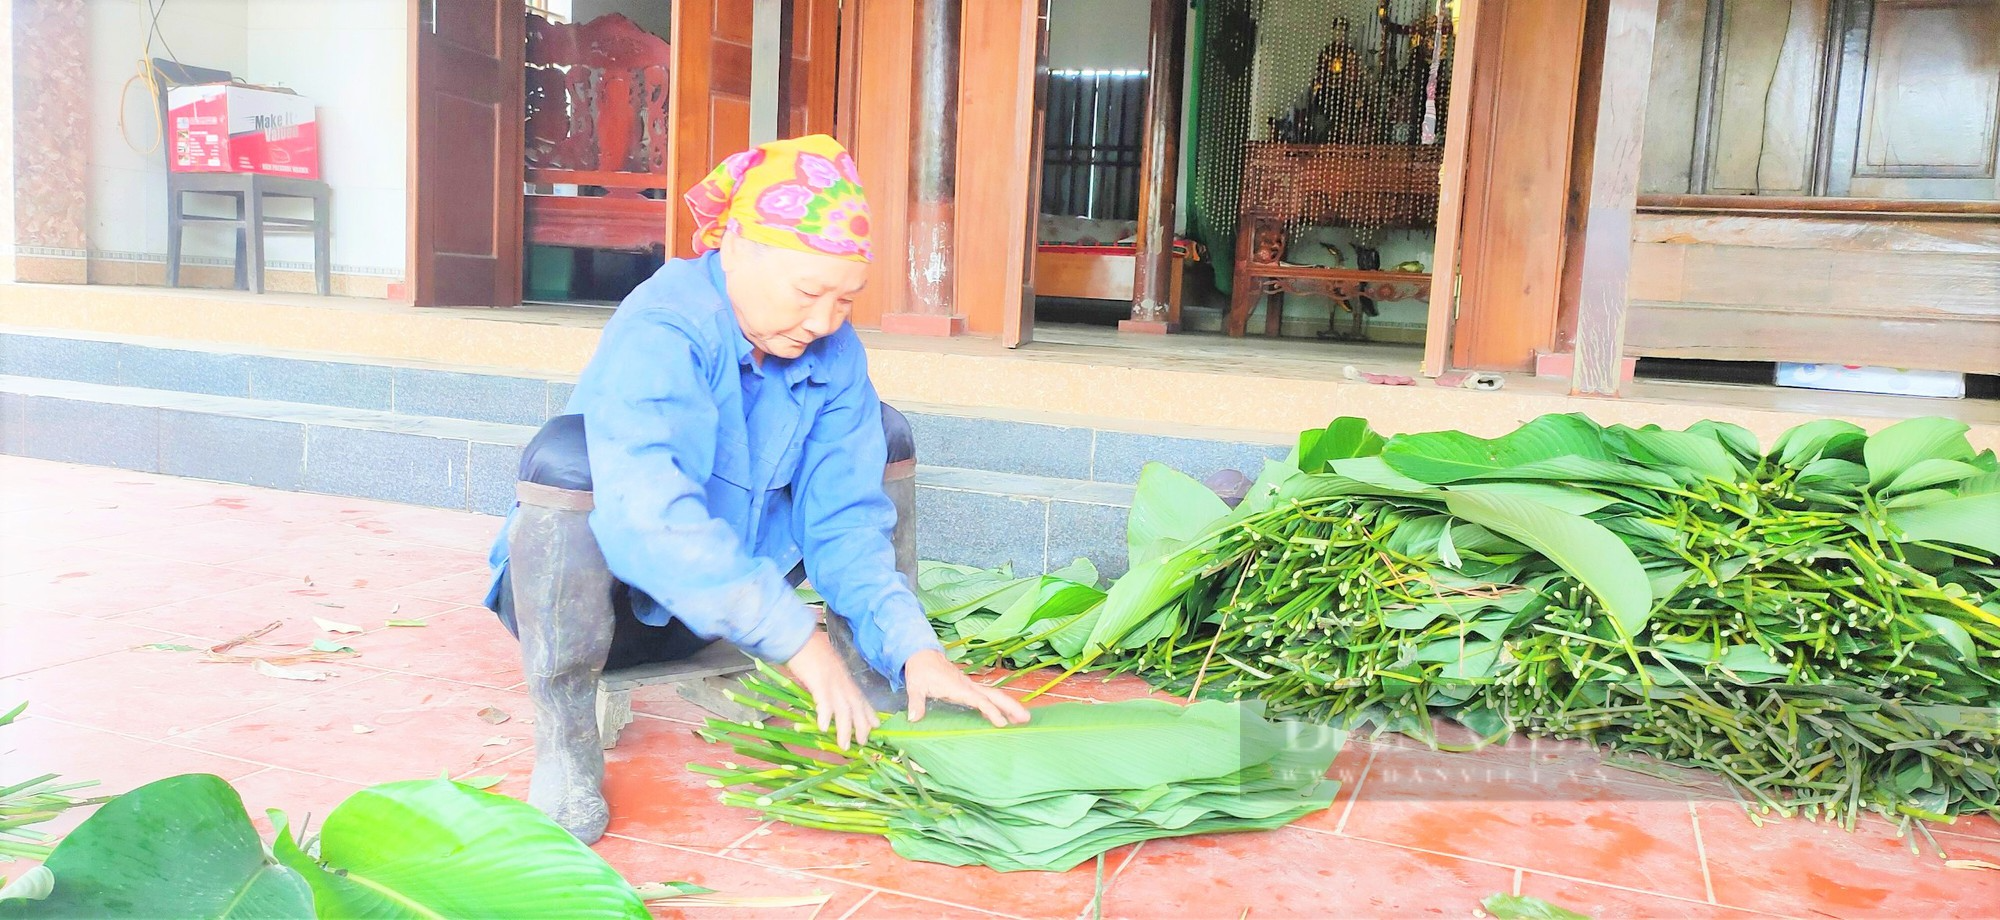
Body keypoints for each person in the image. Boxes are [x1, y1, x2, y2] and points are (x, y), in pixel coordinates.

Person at [484, 135, 1030, 843]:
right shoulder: (665, 324)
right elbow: (648, 519)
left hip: (721, 617)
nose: (825, 321)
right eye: (809, 293)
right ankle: (564, 739)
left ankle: (882, 683)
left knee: (885, 431)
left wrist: (914, 647)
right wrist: (798, 640)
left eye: (845, 299)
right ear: (736, 246)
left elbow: (845, 523)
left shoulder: (834, 352)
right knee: (568, 459)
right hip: (605, 612)